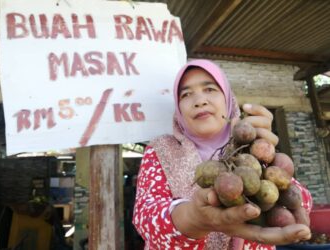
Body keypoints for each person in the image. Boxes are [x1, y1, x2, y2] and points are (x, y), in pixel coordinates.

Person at [132, 59, 312, 250]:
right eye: (186, 94)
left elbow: (300, 201)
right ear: (179, 110)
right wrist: (193, 219)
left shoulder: (250, 147)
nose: (200, 101)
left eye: (210, 89)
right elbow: (145, 217)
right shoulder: (160, 149)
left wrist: (267, 155)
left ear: (228, 99)